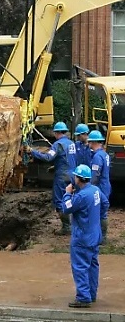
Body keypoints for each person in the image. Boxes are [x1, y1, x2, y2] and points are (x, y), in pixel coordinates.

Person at [62, 164, 109, 308]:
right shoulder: (95, 190)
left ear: (79, 179)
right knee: (93, 265)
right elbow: (105, 203)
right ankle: (91, 294)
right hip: (95, 236)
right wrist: (97, 218)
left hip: (82, 238)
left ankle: (83, 297)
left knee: (80, 266)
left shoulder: (81, 196)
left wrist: (67, 193)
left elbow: (66, 208)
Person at [27, 121, 76, 235]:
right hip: (72, 175)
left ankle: (66, 228)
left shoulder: (58, 144)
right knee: (70, 199)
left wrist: (32, 151)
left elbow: (48, 157)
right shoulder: (71, 143)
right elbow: (69, 158)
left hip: (62, 177)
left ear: (56, 133)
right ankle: (72, 225)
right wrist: (56, 166)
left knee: (59, 201)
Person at [87, 130, 111, 240]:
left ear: (93, 142)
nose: (88, 144)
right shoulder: (104, 154)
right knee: (103, 211)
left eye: (90, 142)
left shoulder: (97, 157)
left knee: (100, 213)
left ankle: (102, 237)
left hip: (100, 187)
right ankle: (102, 237)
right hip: (106, 185)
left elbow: (95, 175)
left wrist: (88, 186)